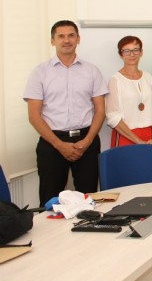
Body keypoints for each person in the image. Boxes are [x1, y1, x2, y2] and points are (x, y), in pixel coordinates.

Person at [23, 20, 107, 206]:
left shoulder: (92, 71)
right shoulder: (40, 72)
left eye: (71, 35)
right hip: (52, 142)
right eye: (61, 36)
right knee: (50, 201)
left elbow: (100, 110)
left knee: (88, 200)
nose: (66, 40)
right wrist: (59, 145)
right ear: (52, 41)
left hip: (86, 141)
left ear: (78, 39)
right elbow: (34, 116)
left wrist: (87, 141)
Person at [106, 35, 152, 147]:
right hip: (126, 136)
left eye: (136, 50)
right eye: (127, 51)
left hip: (149, 136)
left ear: (141, 52)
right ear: (120, 54)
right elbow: (113, 117)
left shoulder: (148, 77)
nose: (132, 54)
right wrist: (139, 141)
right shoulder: (115, 80)